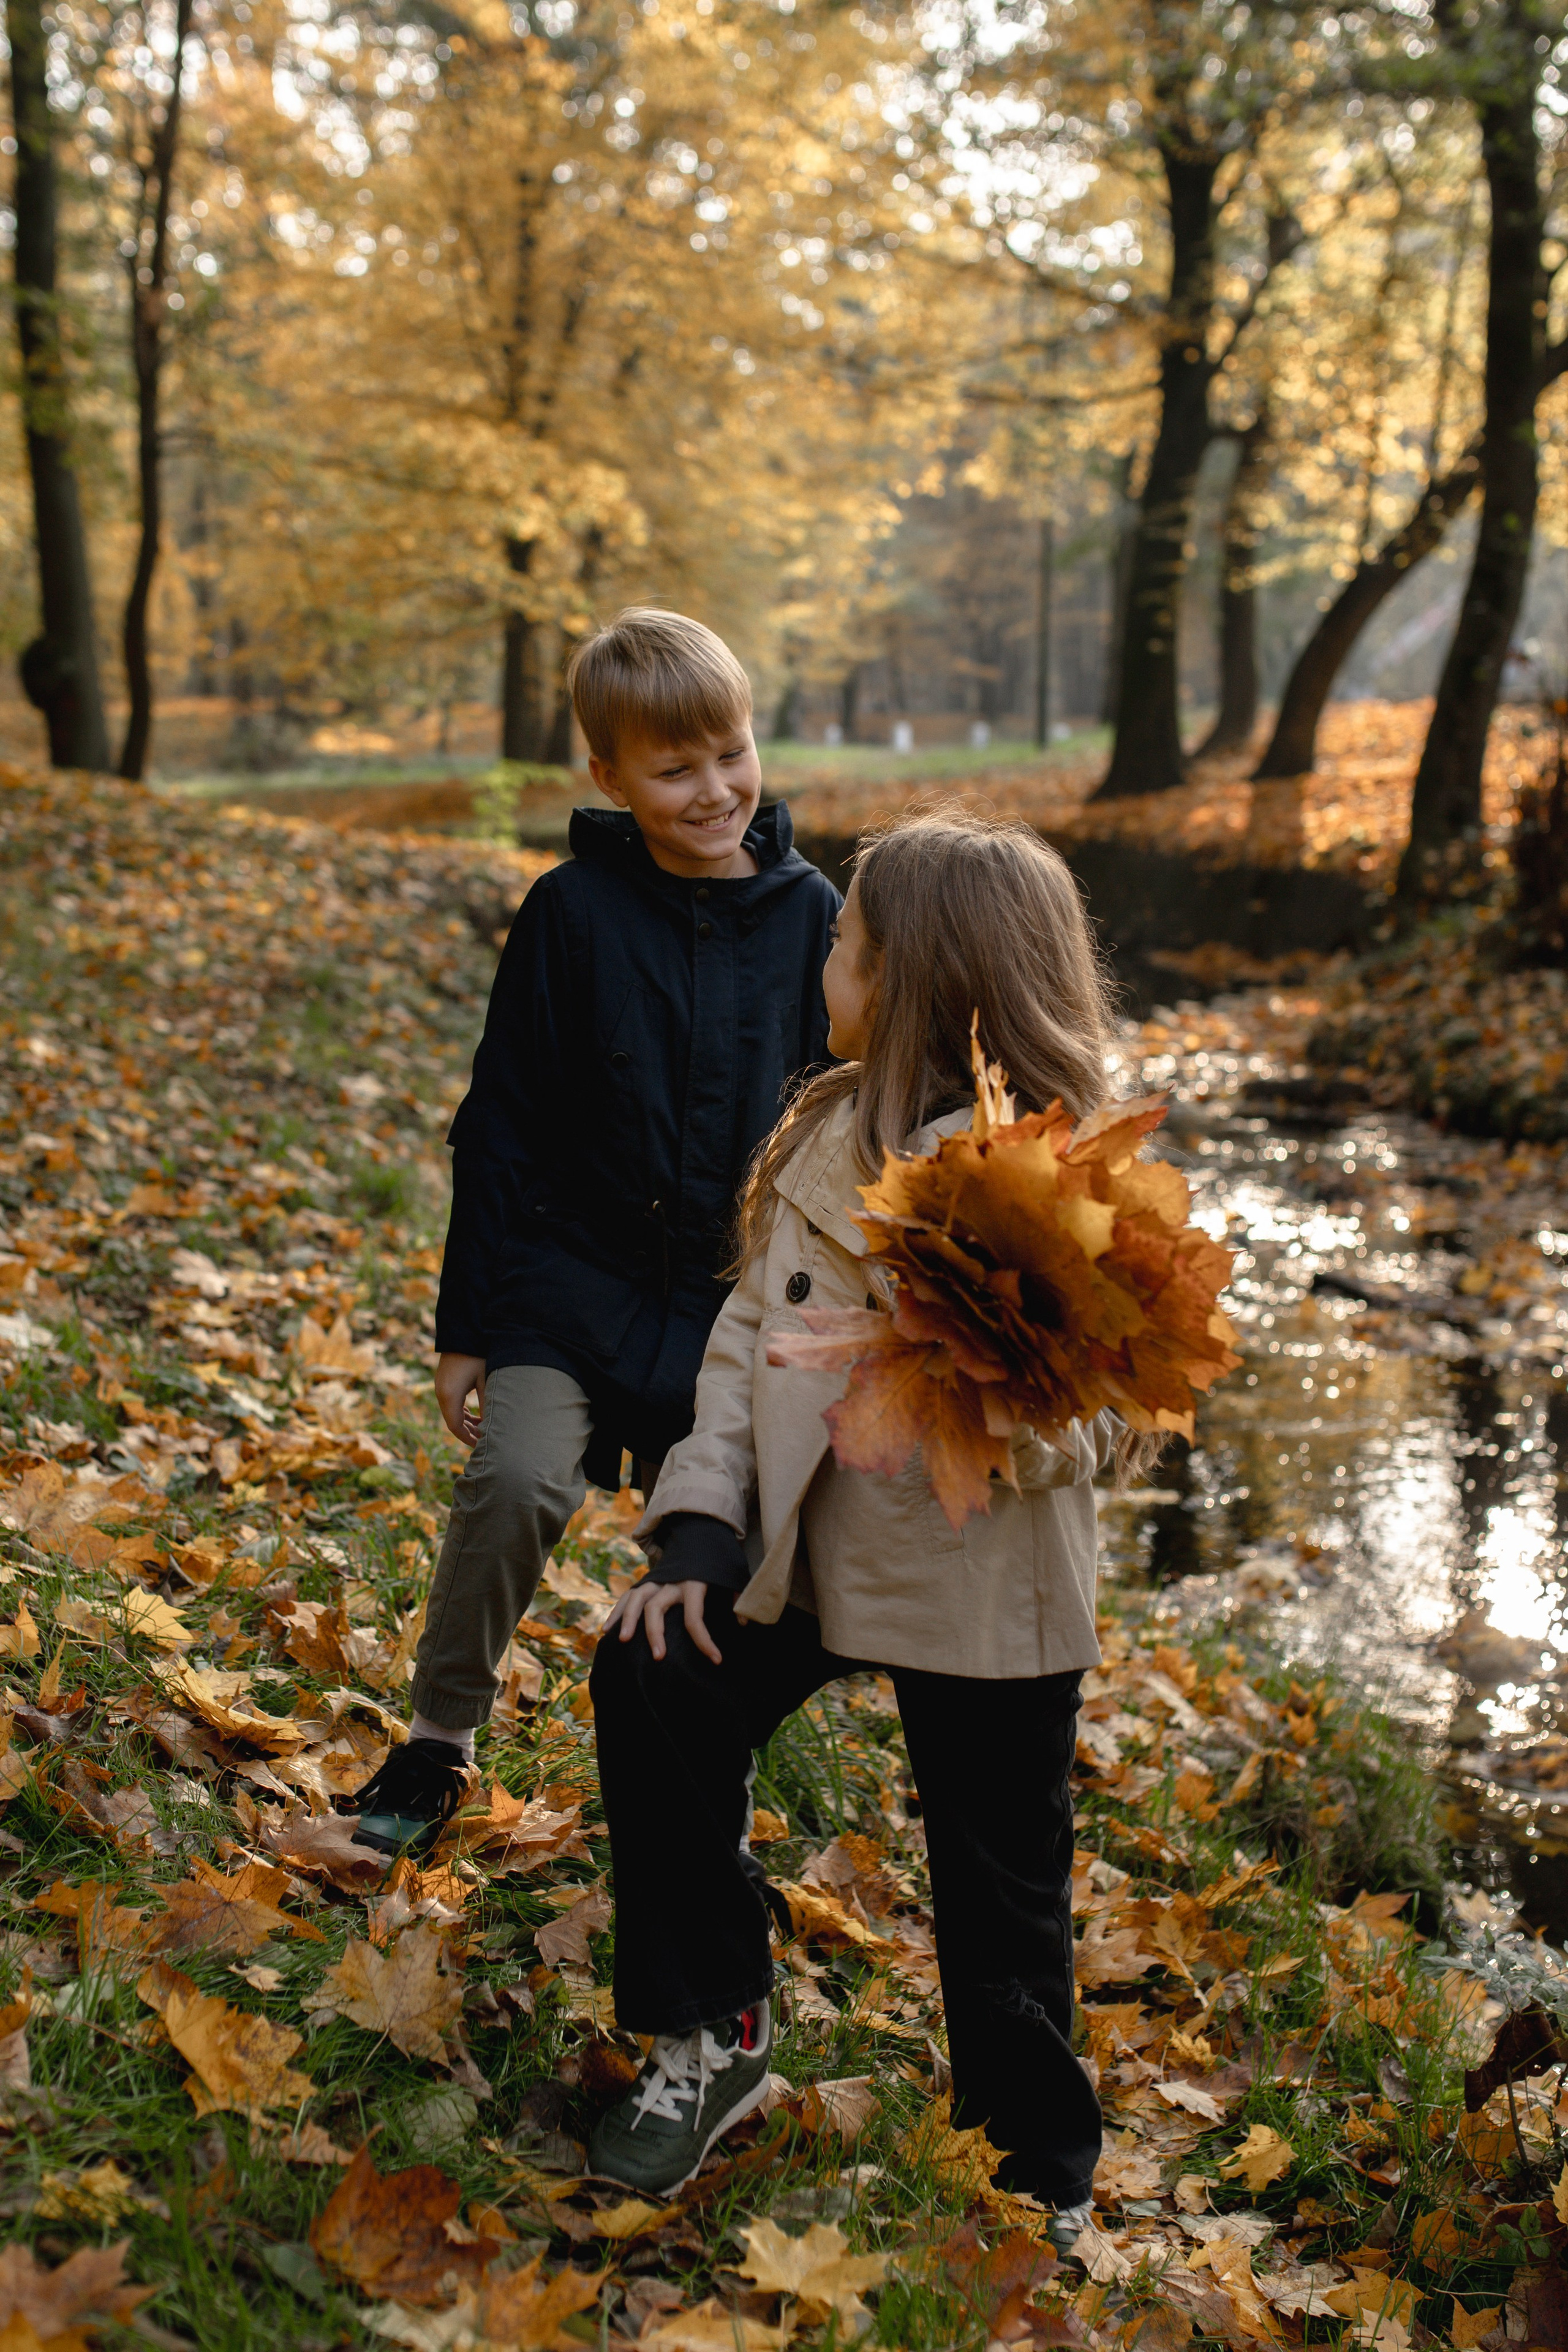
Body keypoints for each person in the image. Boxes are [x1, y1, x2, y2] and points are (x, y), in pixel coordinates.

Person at [586, 810, 1142, 2242]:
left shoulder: (1052, 1178)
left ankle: (1034, 2172)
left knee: (998, 1884)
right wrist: (697, 1534)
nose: (824, 950)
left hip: (979, 1586)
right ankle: (711, 2027)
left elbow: (1103, 1422)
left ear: (911, 978)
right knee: (653, 1679)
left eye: (846, 938)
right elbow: (735, 1351)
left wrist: (980, 1360)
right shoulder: (828, 1132)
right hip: (802, 1555)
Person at [341, 608, 840, 1855]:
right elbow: (501, 1125)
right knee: (513, 1478)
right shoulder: (567, 914)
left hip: (733, 1305)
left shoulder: (812, 915)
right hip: (575, 1281)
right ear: (608, 778)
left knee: (714, 1546)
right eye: (673, 771)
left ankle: (699, 1791)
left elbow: (849, 1121)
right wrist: (471, 1327)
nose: (714, 789)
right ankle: (437, 1739)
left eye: (729, 752)